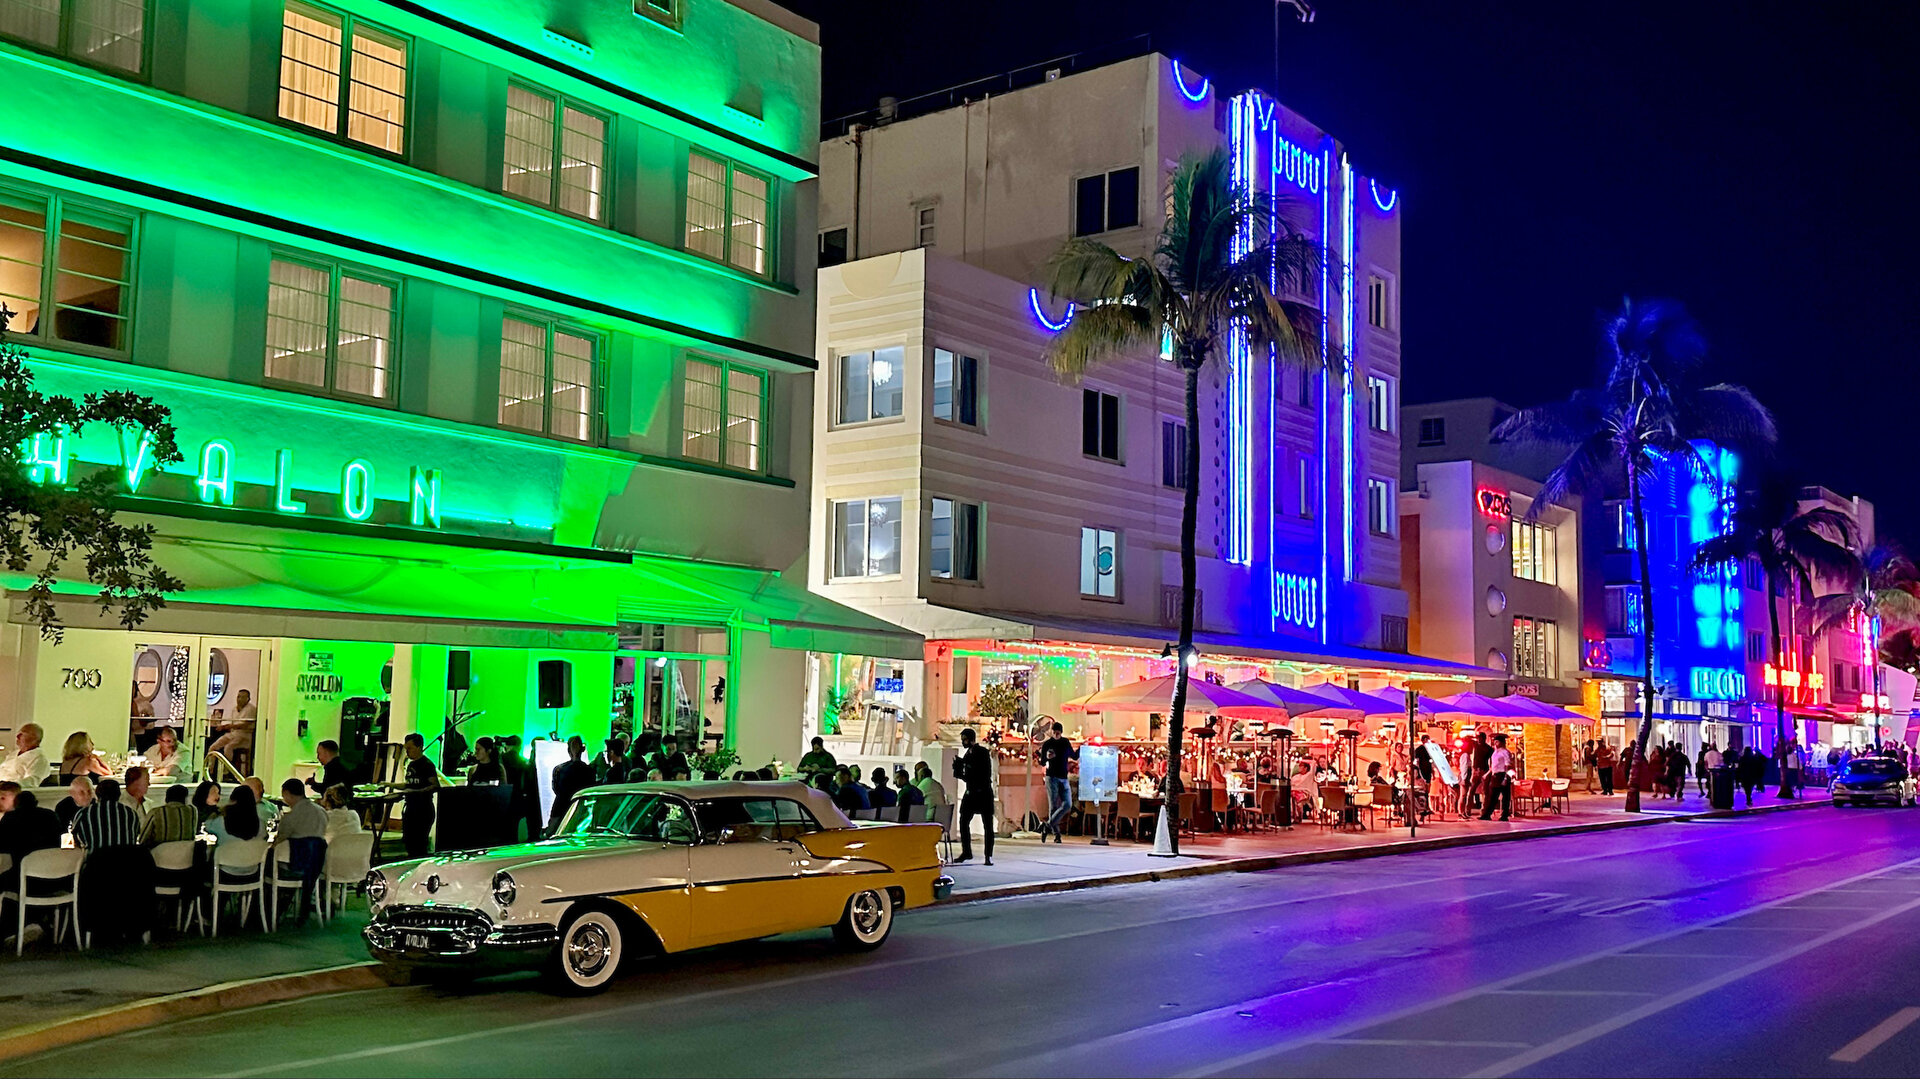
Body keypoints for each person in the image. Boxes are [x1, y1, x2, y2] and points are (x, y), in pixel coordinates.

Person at [276, 779, 329, 925]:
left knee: (270, 865)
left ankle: (274, 908)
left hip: (298, 861)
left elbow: (280, 838)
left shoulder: (291, 817)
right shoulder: (321, 812)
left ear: (287, 794)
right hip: (317, 862)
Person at [0, 786, 60, 892]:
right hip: (54, 879)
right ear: (36, 803)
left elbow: (3, 846)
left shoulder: (10, 818)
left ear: (16, 804)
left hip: (23, 879)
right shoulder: (50, 815)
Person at [389, 733, 440, 857]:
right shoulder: (411, 765)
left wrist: (416, 792)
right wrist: (390, 785)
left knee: (419, 844)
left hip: (423, 809)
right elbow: (408, 784)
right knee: (409, 842)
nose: (407, 752)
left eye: (410, 748)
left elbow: (435, 786)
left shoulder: (427, 765)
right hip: (410, 809)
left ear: (419, 747)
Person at [953, 727, 995, 865]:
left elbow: (982, 773)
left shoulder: (982, 752)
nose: (963, 742)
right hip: (971, 792)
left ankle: (988, 855)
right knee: (963, 821)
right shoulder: (968, 754)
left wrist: (965, 767)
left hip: (983, 793)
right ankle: (967, 851)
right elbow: (967, 776)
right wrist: (959, 769)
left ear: (970, 739)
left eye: (964, 740)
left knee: (987, 825)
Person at [1038, 722, 1078, 844]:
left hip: (1063, 777)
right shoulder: (1047, 744)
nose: (1056, 735)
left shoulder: (1065, 742)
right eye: (1054, 732)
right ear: (1051, 732)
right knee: (1053, 806)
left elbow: (1074, 756)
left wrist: (1083, 748)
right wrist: (1047, 757)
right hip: (1051, 777)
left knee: (1068, 804)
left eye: (1058, 733)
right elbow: (1042, 762)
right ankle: (1057, 834)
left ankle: (1047, 826)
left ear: (1061, 732)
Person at [549, 736, 597, 833]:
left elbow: (556, 788)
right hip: (581, 808)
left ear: (568, 750)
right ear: (583, 750)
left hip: (560, 807)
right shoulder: (589, 770)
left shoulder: (559, 769)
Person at [1479, 734, 1513, 821]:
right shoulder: (1495, 752)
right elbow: (1493, 766)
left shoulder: (1505, 752)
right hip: (1495, 775)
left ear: (1502, 742)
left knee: (1505, 796)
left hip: (1502, 774)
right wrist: (1487, 774)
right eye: (1495, 741)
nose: (1495, 743)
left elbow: (1508, 765)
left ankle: (1504, 815)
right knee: (1492, 795)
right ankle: (1487, 814)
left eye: (1497, 742)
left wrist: (1506, 777)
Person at [121, 766, 151, 831]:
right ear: (135, 782)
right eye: (146, 780)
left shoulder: (149, 803)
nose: (149, 784)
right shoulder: (120, 804)